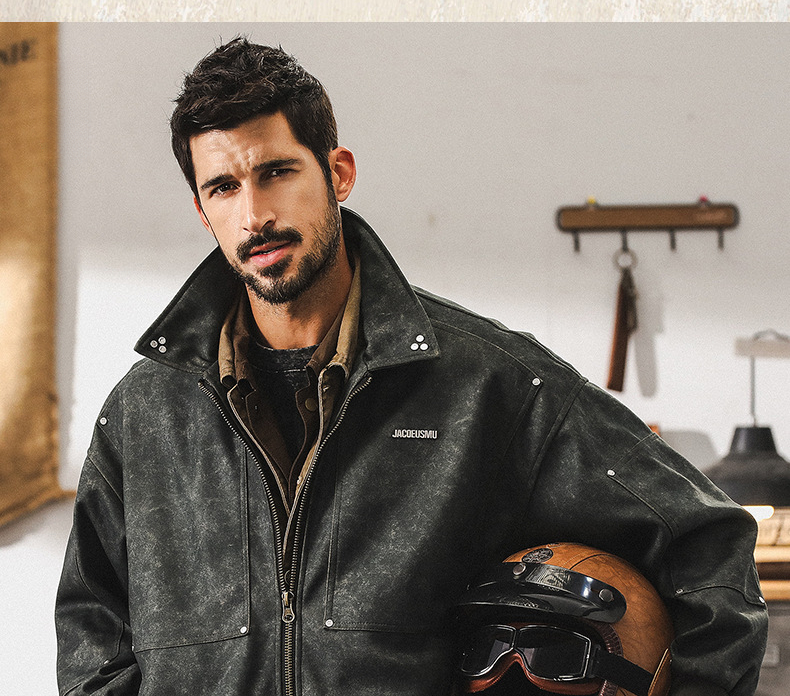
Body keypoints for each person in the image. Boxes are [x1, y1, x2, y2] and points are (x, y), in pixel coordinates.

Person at [55, 37, 767, 696]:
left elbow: (707, 545)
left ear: (338, 173)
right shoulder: (144, 415)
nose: (255, 215)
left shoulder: (492, 385)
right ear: (202, 210)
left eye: (276, 172)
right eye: (224, 188)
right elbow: (93, 636)